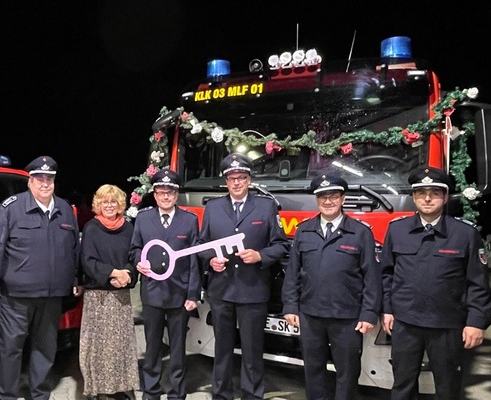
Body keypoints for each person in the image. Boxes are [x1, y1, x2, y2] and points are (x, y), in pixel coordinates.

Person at [381, 167, 491, 400]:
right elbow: (386, 274)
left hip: (447, 325)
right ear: (413, 197)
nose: (428, 198)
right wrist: (387, 309)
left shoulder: (465, 234)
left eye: (435, 192)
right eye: (421, 193)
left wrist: (476, 322)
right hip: (406, 323)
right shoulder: (397, 230)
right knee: (402, 383)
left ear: (445, 197)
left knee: (448, 386)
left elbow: (478, 282)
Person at [0, 156, 82, 400]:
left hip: (51, 296)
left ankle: (40, 393)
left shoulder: (65, 210)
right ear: (30, 182)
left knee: (45, 348)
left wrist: (77, 279)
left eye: (49, 179)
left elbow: (74, 250)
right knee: (10, 349)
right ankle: (5, 395)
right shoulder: (11, 208)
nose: (45, 183)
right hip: (16, 298)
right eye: (39, 179)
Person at [196, 153, 289, 400]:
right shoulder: (213, 207)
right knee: (222, 349)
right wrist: (211, 258)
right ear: (226, 182)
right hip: (221, 290)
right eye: (232, 178)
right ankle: (221, 394)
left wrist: (260, 255)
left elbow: (281, 245)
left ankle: (252, 394)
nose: (236, 183)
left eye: (242, 178)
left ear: (249, 180)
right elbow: (201, 243)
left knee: (252, 350)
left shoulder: (266, 206)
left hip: (253, 290)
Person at [282, 174, 381, 400]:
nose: (328, 201)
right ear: (317, 200)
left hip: (347, 316)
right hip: (310, 314)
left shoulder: (360, 232)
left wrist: (369, 313)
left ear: (343, 199)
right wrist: (290, 306)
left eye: (333, 196)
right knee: (313, 368)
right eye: (323, 197)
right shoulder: (304, 230)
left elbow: (371, 278)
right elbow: (293, 271)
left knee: (347, 371)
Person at [130, 169, 201, 400]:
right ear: (155, 193)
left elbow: (193, 261)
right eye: (161, 192)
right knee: (152, 346)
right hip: (152, 292)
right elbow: (135, 249)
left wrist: (192, 294)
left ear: (177, 193)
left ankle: (177, 392)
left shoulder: (189, 220)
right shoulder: (143, 218)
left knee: (178, 348)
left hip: (179, 294)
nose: (166, 196)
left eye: (170, 192)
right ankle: (151, 390)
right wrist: (139, 261)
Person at [79, 184, 140, 400]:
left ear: (120, 204)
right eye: (105, 202)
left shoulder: (130, 228)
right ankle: (96, 389)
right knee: (97, 345)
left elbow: (135, 258)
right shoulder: (91, 228)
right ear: (98, 204)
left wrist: (128, 275)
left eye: (113, 201)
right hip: (98, 296)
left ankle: (120, 387)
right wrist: (113, 273)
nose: (109, 205)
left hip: (121, 295)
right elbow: (87, 261)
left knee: (120, 345)